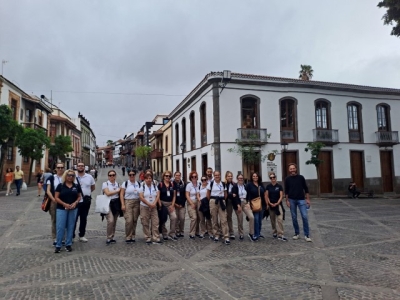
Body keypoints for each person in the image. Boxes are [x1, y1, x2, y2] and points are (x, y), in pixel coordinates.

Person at [54, 169, 82, 253]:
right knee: (60, 227)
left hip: (73, 208)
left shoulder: (76, 186)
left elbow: (79, 196)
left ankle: (68, 244)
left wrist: (75, 203)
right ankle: (58, 245)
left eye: (72, 175)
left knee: (71, 226)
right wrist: (64, 204)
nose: (70, 177)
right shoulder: (60, 186)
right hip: (62, 209)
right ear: (65, 176)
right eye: (69, 175)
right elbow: (56, 197)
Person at [285, 163, 312, 242]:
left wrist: (307, 199)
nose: (292, 170)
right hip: (291, 200)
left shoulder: (301, 178)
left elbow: (306, 189)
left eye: (293, 168)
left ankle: (306, 234)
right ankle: (296, 233)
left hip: (301, 199)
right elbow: (286, 191)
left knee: (304, 216)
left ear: (296, 169)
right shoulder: (287, 179)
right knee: (294, 217)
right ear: (289, 170)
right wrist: (287, 200)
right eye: (291, 169)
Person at [74, 163, 96, 242]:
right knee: (74, 219)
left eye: (82, 166)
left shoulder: (89, 177)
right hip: (75, 201)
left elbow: (93, 187)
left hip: (86, 202)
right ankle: (72, 235)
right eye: (79, 166)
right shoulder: (73, 176)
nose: (80, 167)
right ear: (77, 167)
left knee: (83, 218)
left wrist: (86, 194)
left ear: (84, 167)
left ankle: (81, 235)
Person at [207, 171, 230, 245]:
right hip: (213, 201)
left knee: (224, 219)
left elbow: (225, 194)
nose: (217, 176)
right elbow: (208, 194)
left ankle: (226, 236)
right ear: (214, 176)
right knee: (214, 219)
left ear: (220, 175)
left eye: (218, 175)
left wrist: (222, 200)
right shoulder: (211, 183)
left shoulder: (223, 184)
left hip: (221, 201)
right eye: (215, 175)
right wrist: (211, 201)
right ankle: (216, 235)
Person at [139, 172, 161, 244]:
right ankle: (147, 237)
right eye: (147, 178)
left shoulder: (154, 186)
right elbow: (141, 197)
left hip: (154, 207)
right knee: (145, 222)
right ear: (145, 179)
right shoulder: (142, 186)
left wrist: (154, 203)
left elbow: (158, 195)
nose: (149, 180)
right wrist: (149, 204)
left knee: (155, 222)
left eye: (150, 178)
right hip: (144, 207)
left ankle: (156, 237)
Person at [120, 169, 141, 243]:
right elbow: (121, 194)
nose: (132, 176)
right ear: (128, 175)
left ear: (135, 175)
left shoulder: (138, 183)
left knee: (135, 220)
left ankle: (133, 235)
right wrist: (123, 204)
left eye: (133, 174)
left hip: (137, 202)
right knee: (129, 220)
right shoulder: (125, 183)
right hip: (128, 202)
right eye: (130, 175)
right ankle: (128, 236)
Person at [102, 170, 122, 245]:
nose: (112, 176)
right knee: (110, 220)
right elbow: (107, 193)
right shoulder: (105, 184)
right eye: (110, 175)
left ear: (115, 176)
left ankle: (112, 237)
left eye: (113, 175)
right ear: (108, 176)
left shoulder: (118, 184)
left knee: (114, 221)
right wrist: (117, 191)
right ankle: (108, 237)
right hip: (108, 203)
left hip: (116, 203)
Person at [46, 163, 65, 246]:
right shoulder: (51, 178)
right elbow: (48, 190)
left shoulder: (66, 177)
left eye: (62, 167)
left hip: (64, 201)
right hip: (54, 202)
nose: (60, 169)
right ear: (56, 168)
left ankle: (63, 237)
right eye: (58, 167)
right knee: (54, 220)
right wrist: (54, 199)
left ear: (64, 168)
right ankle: (55, 238)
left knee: (64, 220)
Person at [265, 172, 287, 241]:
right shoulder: (268, 186)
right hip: (271, 205)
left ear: (275, 177)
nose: (272, 179)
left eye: (273, 177)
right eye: (271, 178)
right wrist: (269, 203)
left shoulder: (279, 186)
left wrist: (277, 203)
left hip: (278, 205)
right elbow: (266, 195)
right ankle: (274, 231)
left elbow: (281, 196)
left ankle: (280, 233)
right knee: (272, 219)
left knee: (279, 219)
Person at [158, 171, 177, 241]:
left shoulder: (172, 185)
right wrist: (160, 204)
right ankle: (164, 233)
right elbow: (158, 196)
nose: (168, 177)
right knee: (163, 219)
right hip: (162, 204)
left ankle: (172, 233)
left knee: (174, 217)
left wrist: (172, 205)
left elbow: (174, 196)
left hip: (170, 204)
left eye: (169, 176)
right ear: (163, 176)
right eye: (166, 176)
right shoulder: (160, 185)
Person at [246, 172, 265, 241]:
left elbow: (264, 193)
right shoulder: (249, 185)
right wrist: (248, 202)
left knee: (260, 220)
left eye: (256, 176)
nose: (255, 177)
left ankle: (259, 233)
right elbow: (247, 194)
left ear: (258, 177)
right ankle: (255, 234)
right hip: (254, 204)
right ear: (251, 177)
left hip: (262, 204)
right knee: (256, 219)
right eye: (253, 176)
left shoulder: (261, 184)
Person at [236, 174, 255, 241]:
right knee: (240, 219)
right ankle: (241, 234)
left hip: (245, 202)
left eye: (241, 178)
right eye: (239, 178)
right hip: (238, 203)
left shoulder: (246, 186)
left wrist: (249, 202)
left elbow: (249, 195)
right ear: (237, 179)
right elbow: (234, 196)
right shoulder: (235, 186)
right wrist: (238, 205)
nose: (240, 179)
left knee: (251, 217)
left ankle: (251, 233)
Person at [225, 171, 242, 240]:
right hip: (228, 202)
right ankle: (231, 232)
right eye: (229, 176)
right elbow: (225, 194)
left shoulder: (234, 184)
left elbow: (236, 194)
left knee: (239, 216)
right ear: (226, 177)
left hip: (235, 201)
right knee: (229, 217)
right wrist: (231, 194)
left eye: (231, 176)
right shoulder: (224, 184)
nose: (230, 177)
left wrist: (238, 204)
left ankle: (241, 232)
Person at [186, 171, 200, 239]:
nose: (194, 178)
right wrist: (191, 203)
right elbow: (187, 195)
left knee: (198, 217)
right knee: (194, 217)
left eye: (195, 176)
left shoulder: (199, 184)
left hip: (198, 201)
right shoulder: (189, 185)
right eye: (192, 177)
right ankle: (191, 233)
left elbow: (198, 194)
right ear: (190, 178)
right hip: (191, 202)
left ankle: (197, 232)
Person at [173, 171, 186, 237]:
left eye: (179, 175)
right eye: (176, 175)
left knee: (182, 218)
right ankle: (177, 231)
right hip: (175, 204)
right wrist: (175, 204)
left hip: (182, 204)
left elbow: (185, 195)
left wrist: (182, 203)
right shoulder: (172, 184)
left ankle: (182, 231)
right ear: (174, 176)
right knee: (176, 218)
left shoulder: (183, 184)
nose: (178, 176)